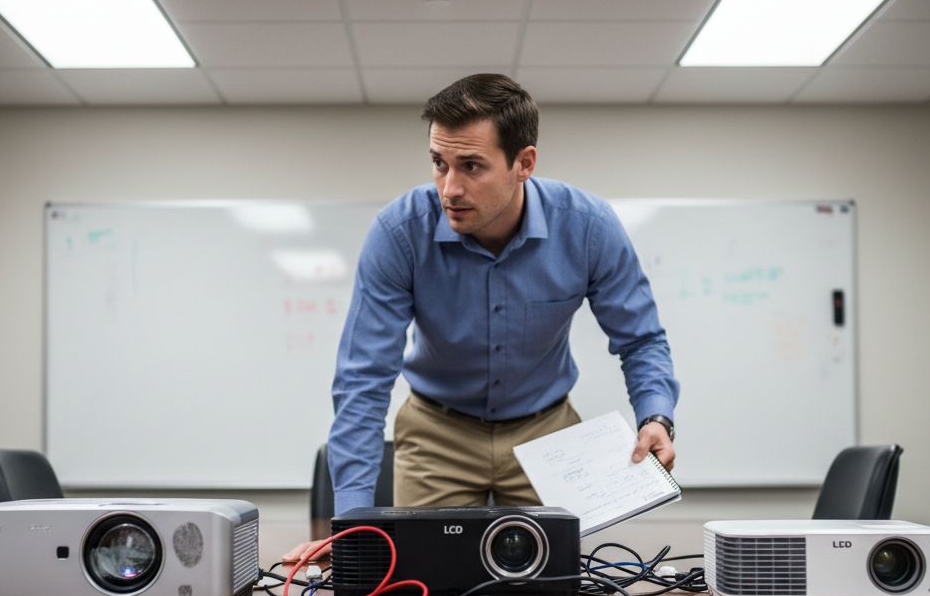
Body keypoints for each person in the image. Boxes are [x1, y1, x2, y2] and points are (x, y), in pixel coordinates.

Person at [284, 74, 678, 562]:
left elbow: (640, 340)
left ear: (523, 164)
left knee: (549, 590)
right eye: (439, 163)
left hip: (545, 430)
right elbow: (363, 380)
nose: (450, 187)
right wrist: (352, 524)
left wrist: (656, 416)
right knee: (426, 582)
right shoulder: (399, 232)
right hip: (437, 433)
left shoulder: (588, 227)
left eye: (471, 166)